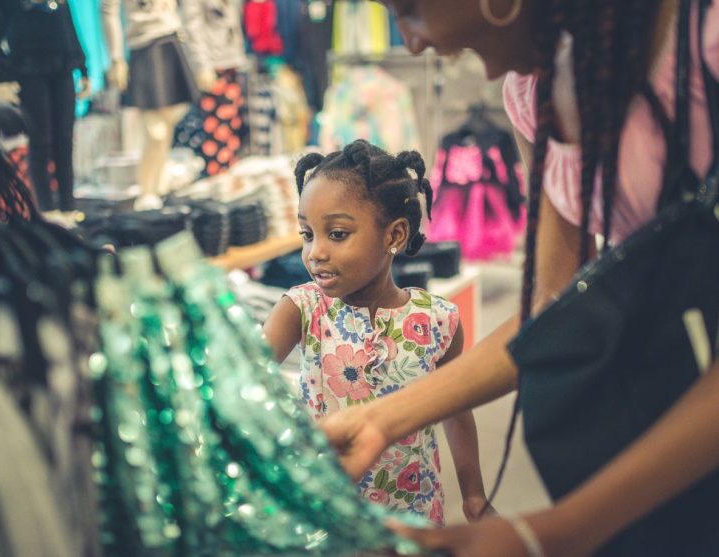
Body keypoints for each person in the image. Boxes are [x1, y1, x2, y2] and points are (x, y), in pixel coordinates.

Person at [320, 0, 719, 555]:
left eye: (409, 11)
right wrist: (379, 420)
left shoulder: (705, 45)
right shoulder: (533, 94)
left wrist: (551, 533)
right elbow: (553, 312)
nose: (410, 43)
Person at [262, 139, 494, 526]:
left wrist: (474, 495)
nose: (314, 252)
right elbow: (245, 376)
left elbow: (456, 409)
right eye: (307, 234)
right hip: (326, 516)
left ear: (395, 236)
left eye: (336, 234)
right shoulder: (301, 309)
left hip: (412, 513)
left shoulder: (438, 320)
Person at [0, 0, 90, 213]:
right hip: (27, 67)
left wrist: (82, 65)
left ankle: (68, 207)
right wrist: (0, 76)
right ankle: (46, 210)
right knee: (40, 141)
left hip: (62, 65)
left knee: (65, 139)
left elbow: (65, 17)